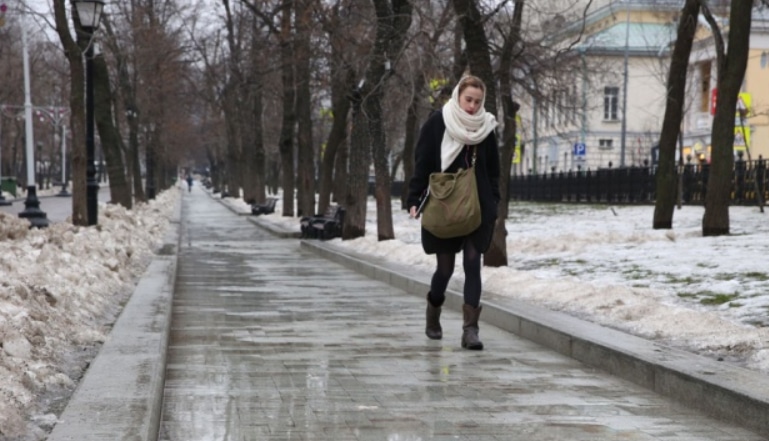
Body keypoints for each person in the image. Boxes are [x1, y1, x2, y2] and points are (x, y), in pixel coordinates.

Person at [407, 74, 500, 351]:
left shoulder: (486, 127)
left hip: (477, 207)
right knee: (445, 269)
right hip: (444, 203)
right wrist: (414, 198)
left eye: (477, 101)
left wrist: (494, 201)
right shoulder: (438, 122)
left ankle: (470, 331)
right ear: (458, 96)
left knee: (473, 264)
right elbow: (422, 163)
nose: (472, 106)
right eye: (468, 99)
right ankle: (433, 311)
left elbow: (493, 170)